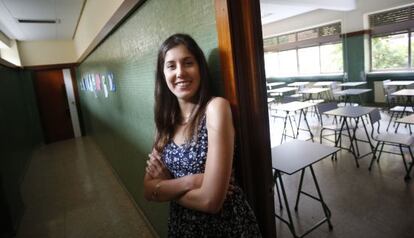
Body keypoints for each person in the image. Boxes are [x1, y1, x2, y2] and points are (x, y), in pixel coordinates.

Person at [143, 33, 261, 237]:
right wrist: (193, 181)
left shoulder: (215, 108)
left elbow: (211, 201)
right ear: (163, 74)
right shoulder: (165, 122)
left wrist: (164, 190)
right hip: (181, 227)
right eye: (171, 66)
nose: (180, 72)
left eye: (188, 63)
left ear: (200, 68)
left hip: (226, 227)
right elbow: (147, 189)